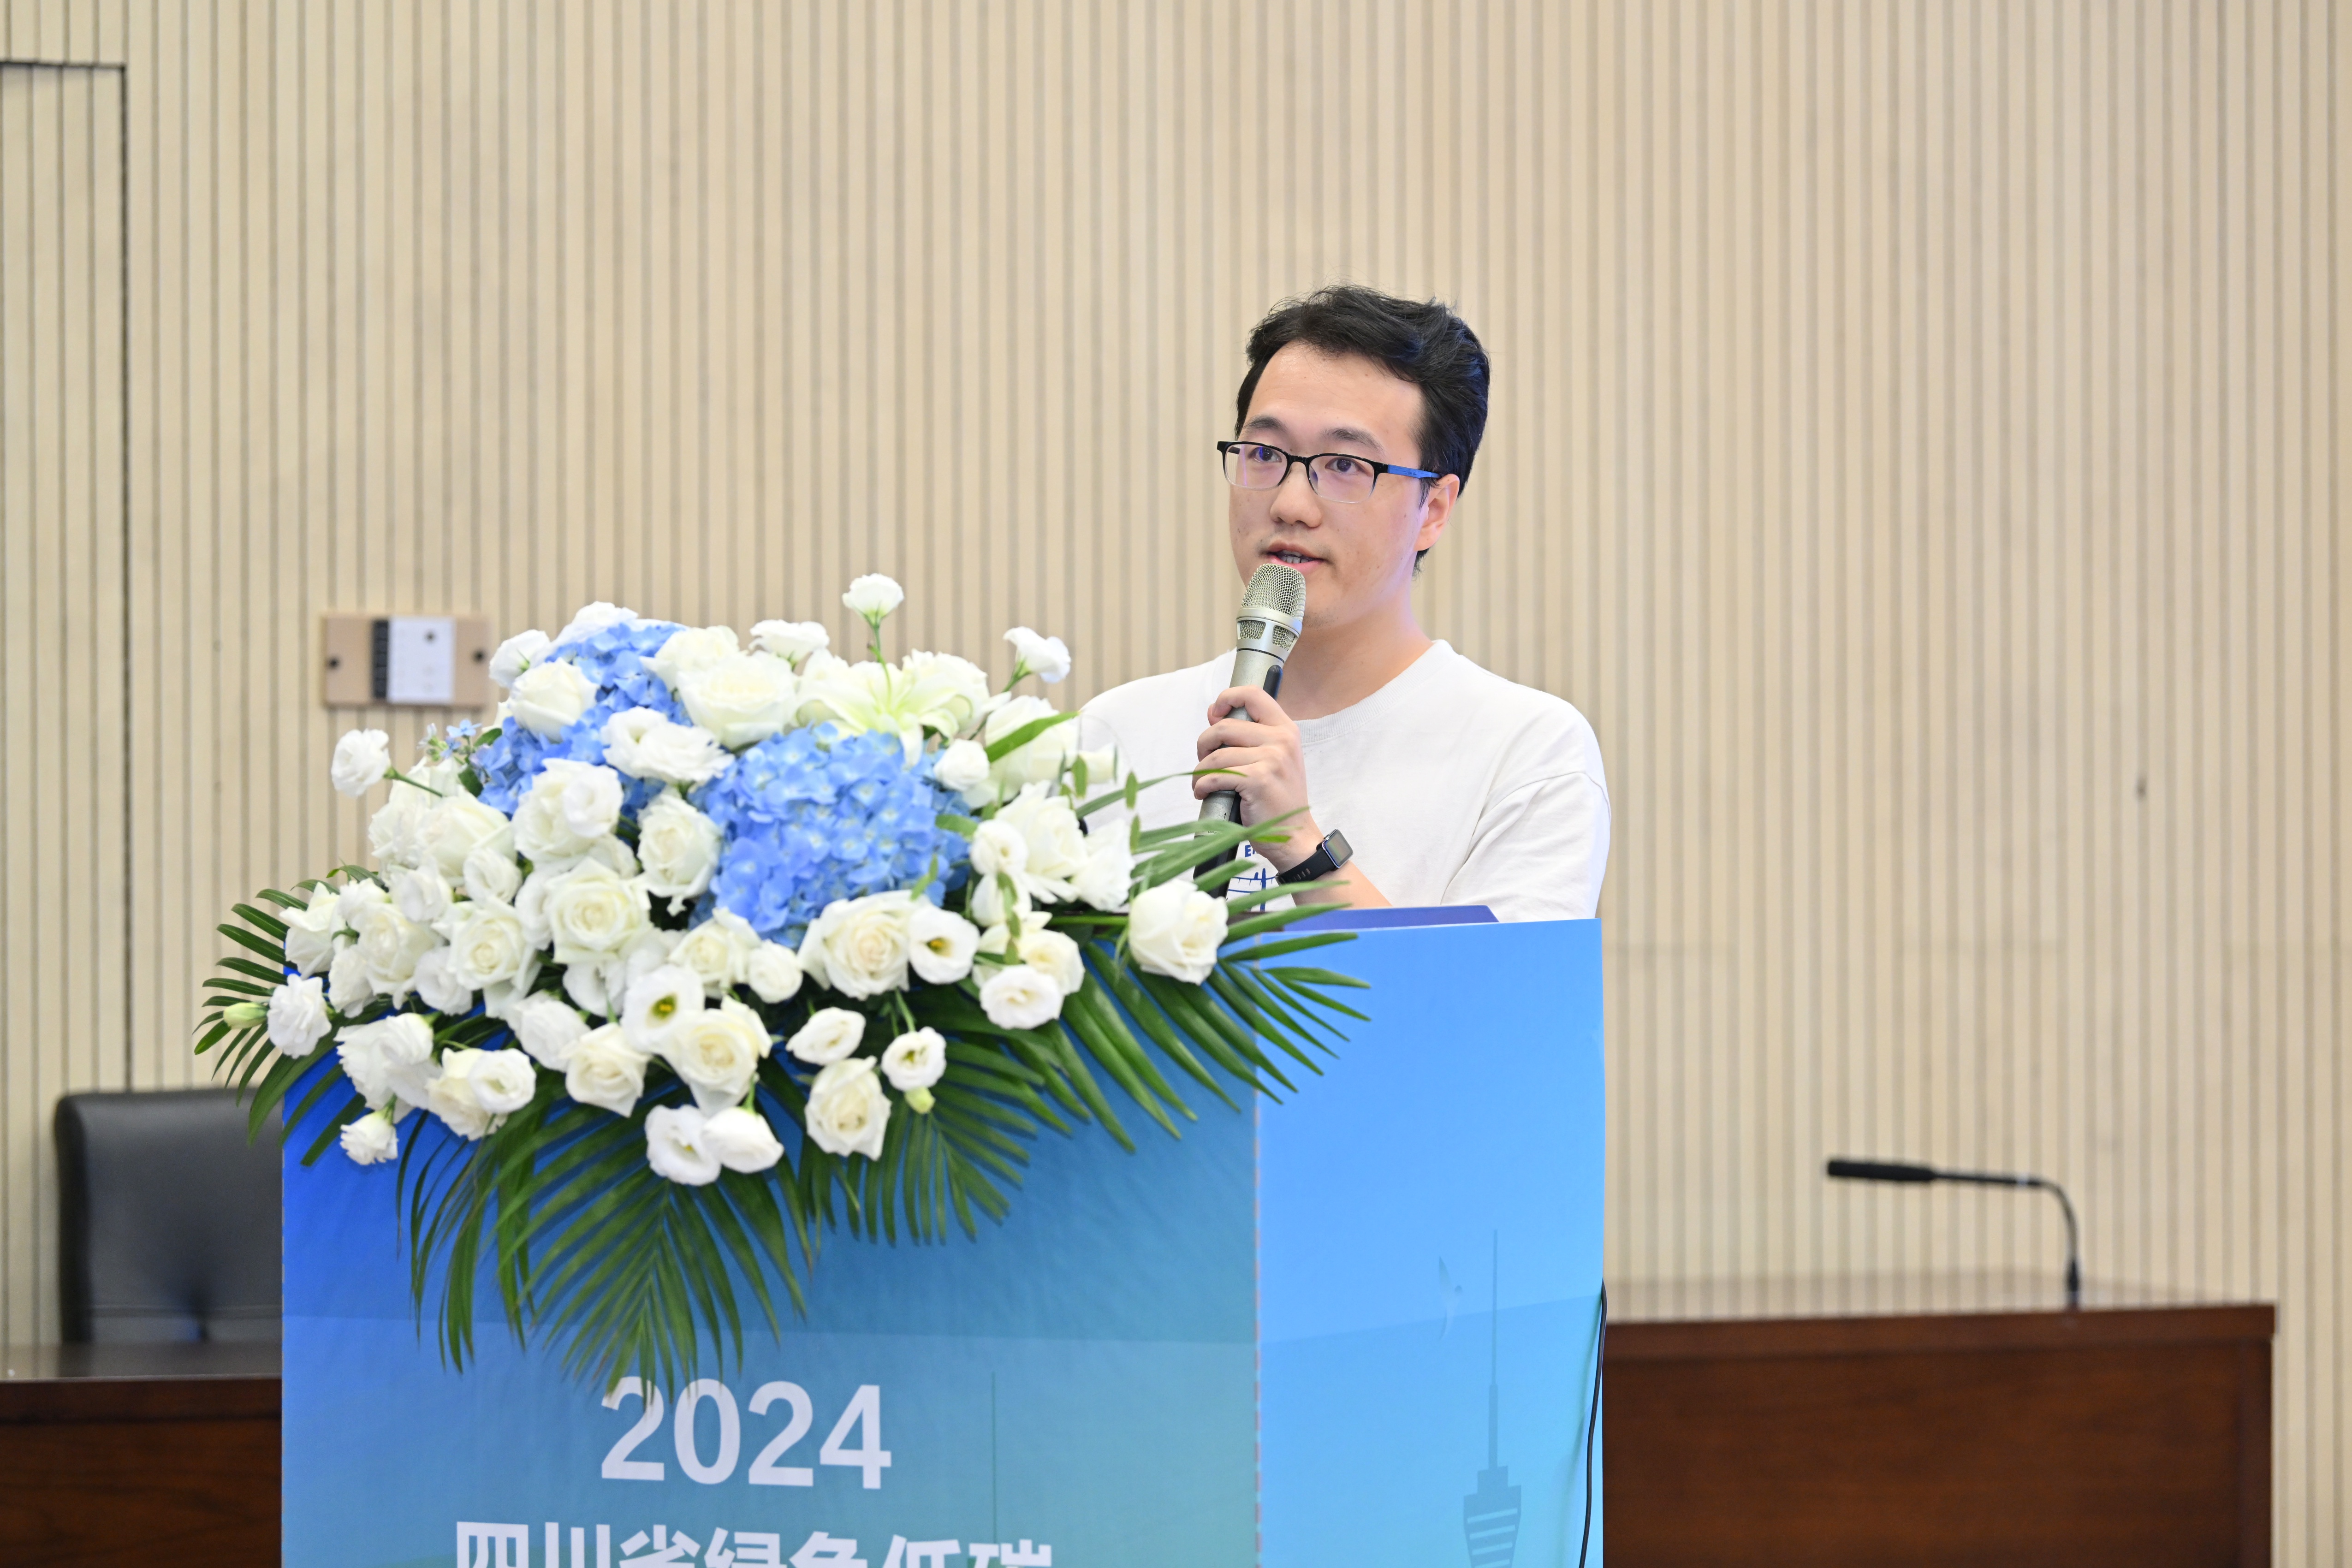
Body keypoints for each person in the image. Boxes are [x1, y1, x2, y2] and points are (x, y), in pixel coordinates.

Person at [1079, 285, 1610, 922]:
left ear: (1434, 509)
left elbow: (1488, 990)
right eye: (1265, 455)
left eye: (1345, 466)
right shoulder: (1115, 737)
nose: (1290, 505)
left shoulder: (1528, 754)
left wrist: (1300, 846)